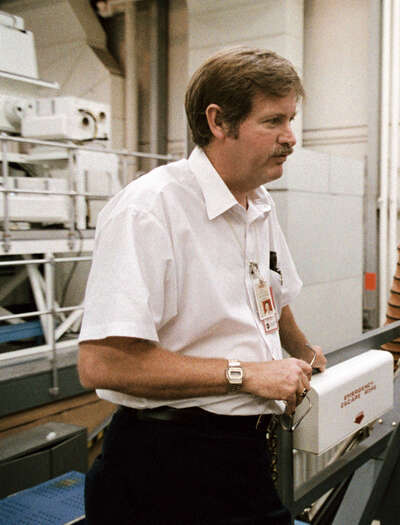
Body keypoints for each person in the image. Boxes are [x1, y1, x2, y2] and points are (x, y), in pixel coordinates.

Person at [77, 46, 327, 524]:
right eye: (273, 121)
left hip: (243, 451)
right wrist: (246, 374)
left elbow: (269, 289)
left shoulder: (258, 203)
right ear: (218, 121)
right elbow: (102, 363)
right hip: (165, 462)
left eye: (291, 119)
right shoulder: (150, 210)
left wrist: (302, 349)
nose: (290, 137)